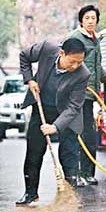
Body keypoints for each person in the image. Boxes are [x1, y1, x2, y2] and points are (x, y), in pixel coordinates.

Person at [16, 39, 90, 206]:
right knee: (34, 153)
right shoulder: (47, 49)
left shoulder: (83, 74)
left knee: (69, 155)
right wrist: (29, 80)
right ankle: (30, 193)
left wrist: (55, 127)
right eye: (72, 62)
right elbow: (24, 56)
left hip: (67, 117)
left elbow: (74, 106)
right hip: (41, 108)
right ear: (61, 53)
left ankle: (69, 197)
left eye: (80, 62)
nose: (76, 66)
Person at [65, 5, 106, 186]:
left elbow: (95, 65)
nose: (91, 21)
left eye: (93, 18)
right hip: (77, 93)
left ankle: (88, 173)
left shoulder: (96, 39)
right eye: (87, 18)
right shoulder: (75, 38)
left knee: (89, 134)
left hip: (90, 94)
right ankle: (75, 175)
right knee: (77, 133)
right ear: (81, 20)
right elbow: (68, 63)